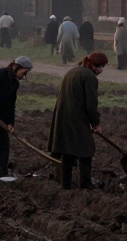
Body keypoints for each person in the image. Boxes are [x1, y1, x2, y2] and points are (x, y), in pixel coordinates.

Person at [48, 52, 107, 190]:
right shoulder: (89, 77)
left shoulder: (72, 71)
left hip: (63, 116)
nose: (101, 70)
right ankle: (85, 184)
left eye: (103, 67)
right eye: (99, 66)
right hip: (77, 117)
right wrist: (96, 124)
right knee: (86, 150)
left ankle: (66, 185)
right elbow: (91, 104)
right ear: (92, 64)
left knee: (67, 150)